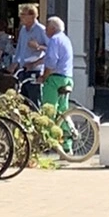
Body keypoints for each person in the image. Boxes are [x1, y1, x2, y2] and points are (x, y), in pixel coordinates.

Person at [40, 15, 75, 153]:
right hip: (67, 78)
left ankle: (47, 143)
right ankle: (67, 144)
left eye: (47, 27)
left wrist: (44, 77)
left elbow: (51, 62)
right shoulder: (66, 40)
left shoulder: (54, 40)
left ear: (53, 28)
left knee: (48, 110)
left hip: (55, 79)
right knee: (63, 111)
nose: (45, 31)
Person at [13, 4, 48, 104]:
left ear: (33, 16)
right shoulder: (23, 30)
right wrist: (14, 63)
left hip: (35, 72)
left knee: (34, 102)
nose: (20, 17)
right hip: (22, 70)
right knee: (22, 101)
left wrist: (38, 47)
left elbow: (51, 51)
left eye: (23, 14)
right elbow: (19, 47)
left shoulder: (41, 30)